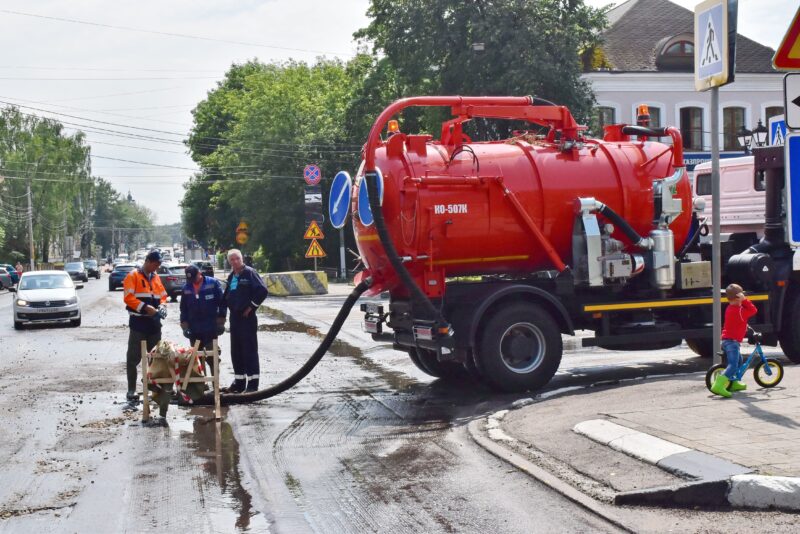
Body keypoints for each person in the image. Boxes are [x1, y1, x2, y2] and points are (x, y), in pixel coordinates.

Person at [123, 250, 168, 404]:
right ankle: (131, 389)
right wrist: (145, 307)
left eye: (159, 265)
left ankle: (154, 387)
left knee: (156, 357)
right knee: (133, 358)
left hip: (154, 324)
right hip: (138, 323)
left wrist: (162, 306)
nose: (157, 267)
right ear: (148, 261)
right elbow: (129, 298)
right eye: (155, 264)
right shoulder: (133, 276)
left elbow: (163, 295)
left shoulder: (156, 278)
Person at [222, 249, 268, 393]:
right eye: (232, 260)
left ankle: (253, 384)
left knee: (249, 351)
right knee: (236, 351)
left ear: (241, 259)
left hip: (247, 318)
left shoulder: (250, 273)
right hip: (234, 319)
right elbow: (227, 296)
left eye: (237, 259)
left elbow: (262, 291)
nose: (235, 262)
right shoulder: (231, 276)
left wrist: (251, 307)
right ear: (229, 262)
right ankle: (239, 383)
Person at [710, 283, 757, 398]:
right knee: (733, 365)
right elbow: (753, 310)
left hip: (727, 341)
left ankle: (734, 382)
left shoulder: (730, 308)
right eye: (742, 296)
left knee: (739, 360)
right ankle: (719, 385)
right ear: (738, 297)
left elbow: (737, 322)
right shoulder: (740, 311)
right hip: (732, 343)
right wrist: (745, 300)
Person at [180, 264, 226, 375]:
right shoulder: (186, 288)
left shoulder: (213, 283)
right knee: (197, 358)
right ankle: (202, 386)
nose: (192, 281)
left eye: (194, 278)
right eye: (190, 279)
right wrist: (185, 326)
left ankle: (216, 386)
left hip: (210, 327)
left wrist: (221, 320)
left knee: (212, 356)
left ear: (200, 274)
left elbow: (222, 303)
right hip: (194, 328)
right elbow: (183, 309)